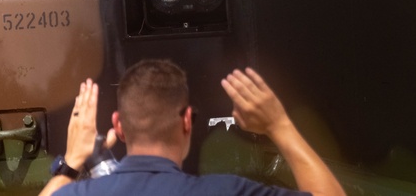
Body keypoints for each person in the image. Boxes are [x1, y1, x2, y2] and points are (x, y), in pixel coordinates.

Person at [39, 60, 345, 196]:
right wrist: (280, 125)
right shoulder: (227, 191)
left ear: (118, 125)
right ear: (187, 121)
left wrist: (72, 162)